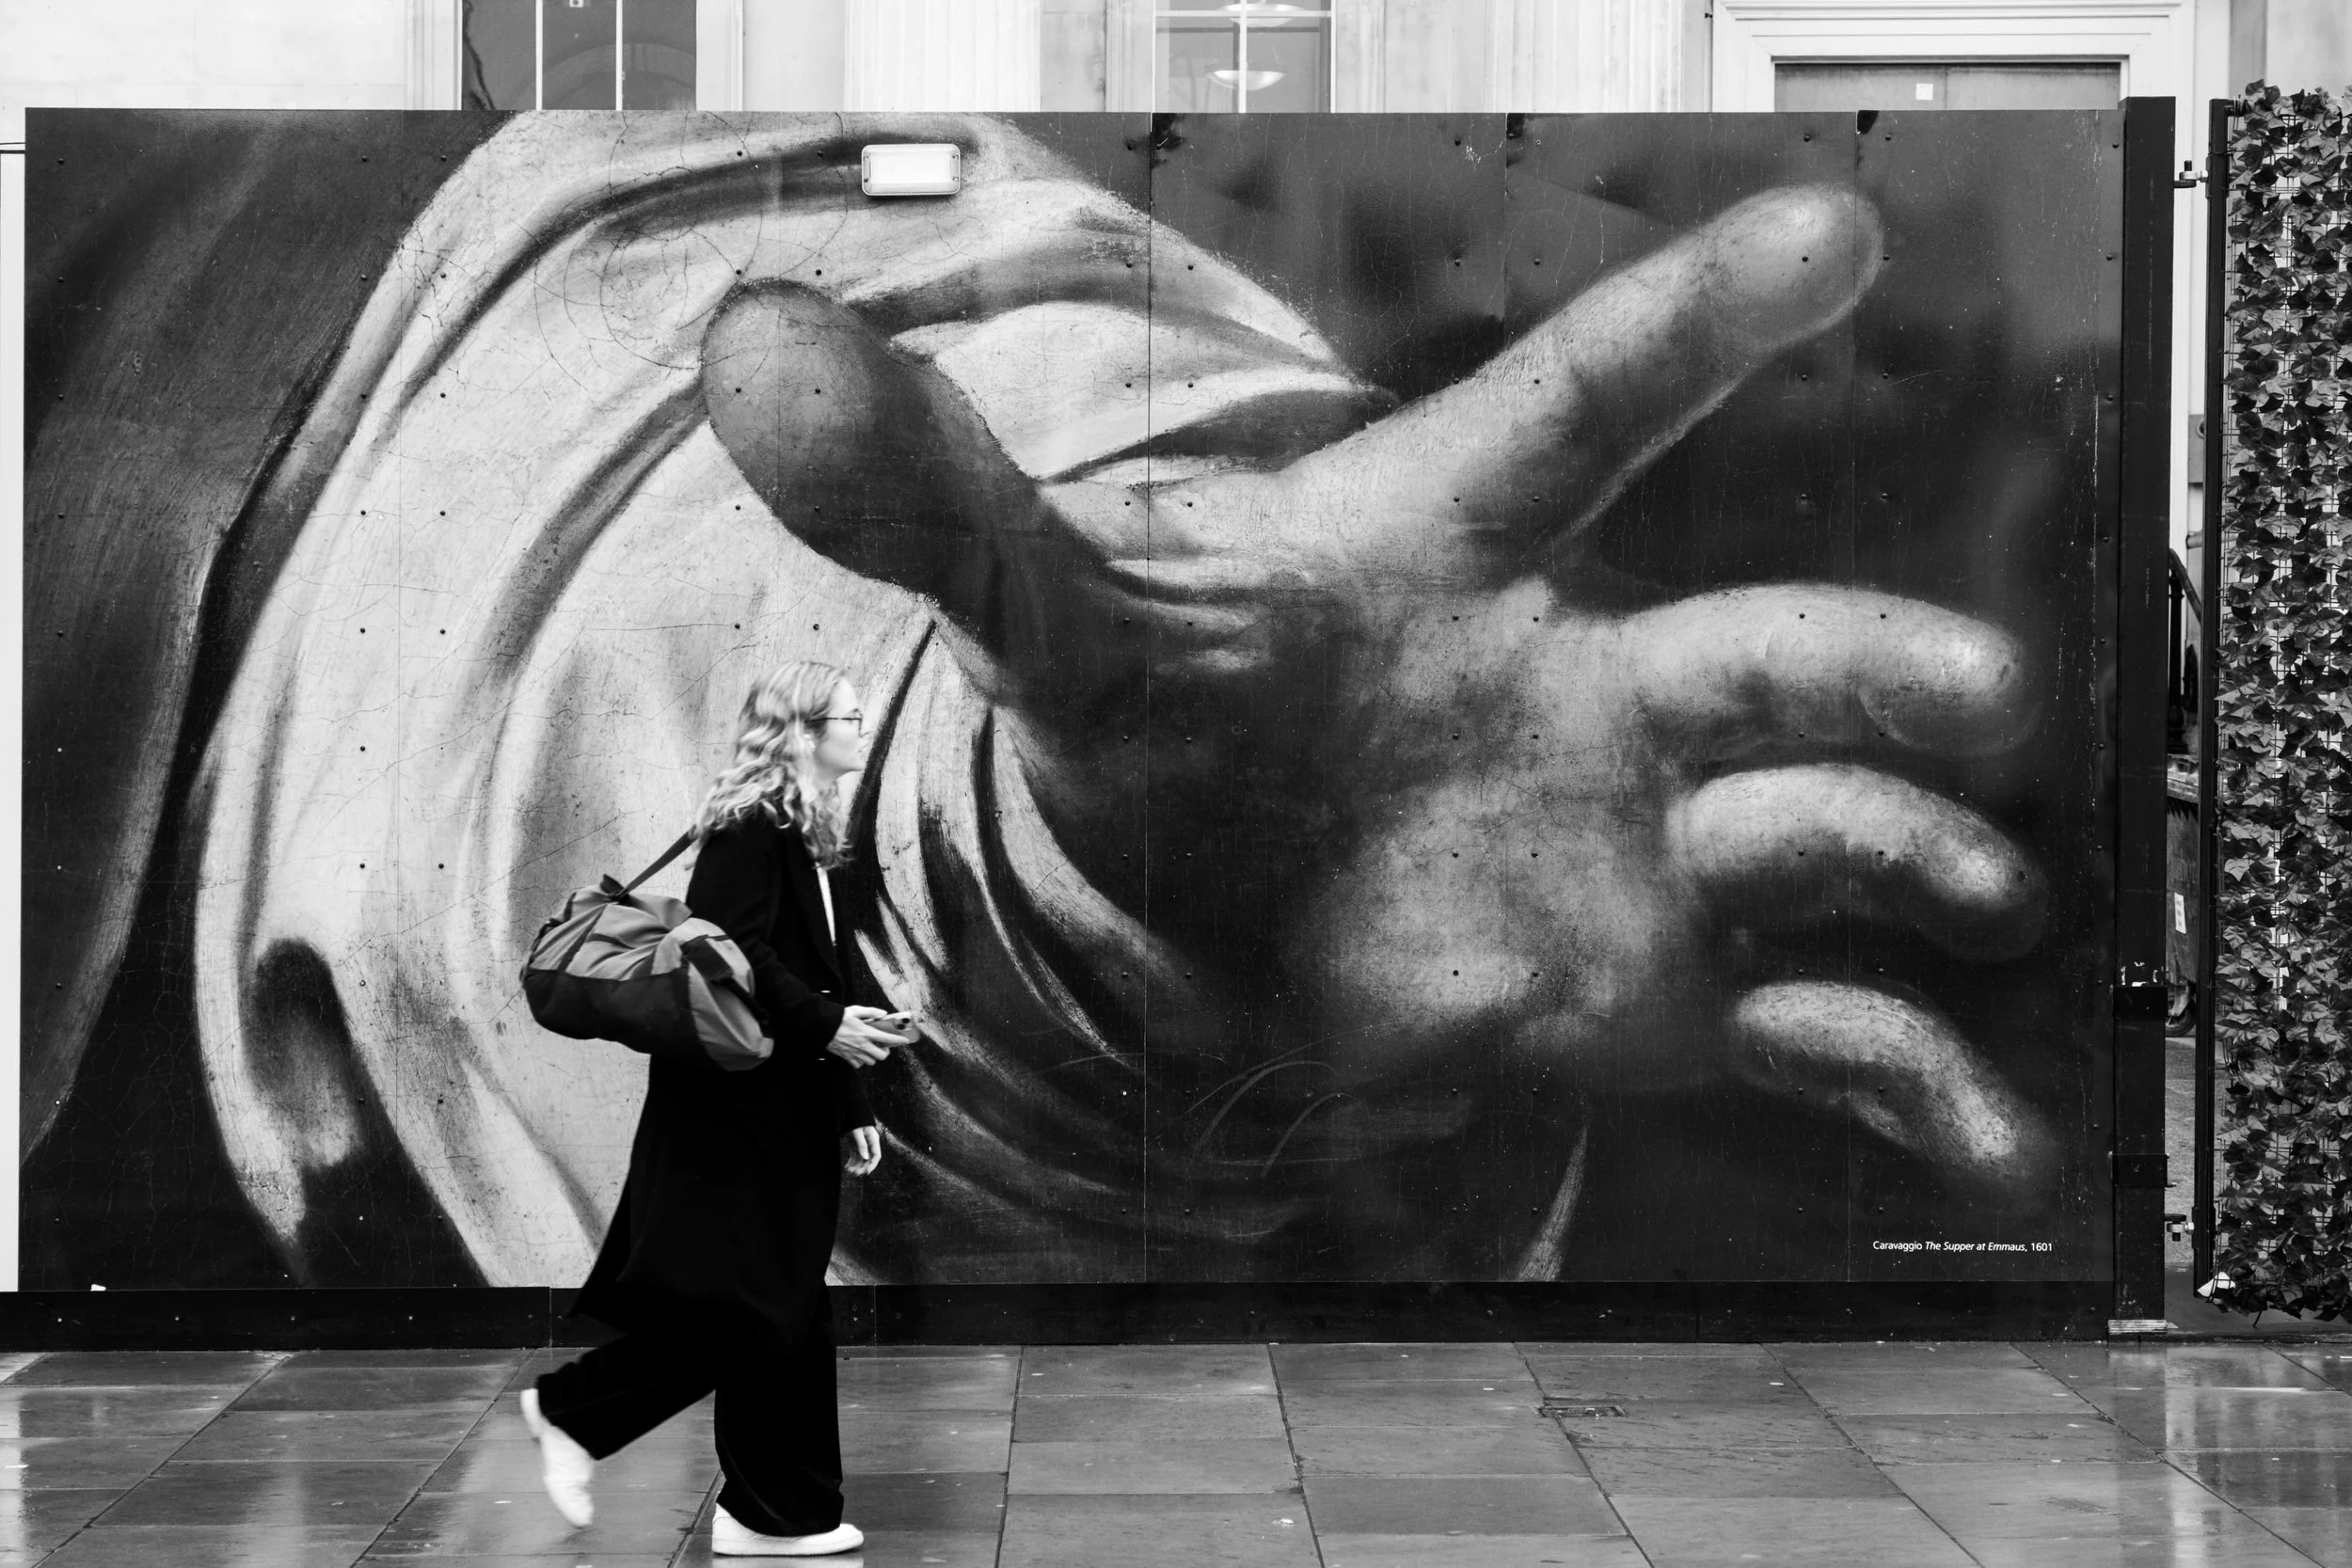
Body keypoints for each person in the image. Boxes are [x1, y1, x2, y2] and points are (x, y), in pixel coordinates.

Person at [517, 662, 915, 1556]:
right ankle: (573, 1412)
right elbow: (725, 948)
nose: (864, 724)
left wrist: (845, 1088)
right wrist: (825, 1029)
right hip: (733, 1114)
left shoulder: (800, 832)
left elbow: (816, 976)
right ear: (805, 730)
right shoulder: (748, 828)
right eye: (851, 714)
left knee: (787, 1312)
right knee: (757, 1310)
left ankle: (773, 1513)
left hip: (780, 1102)